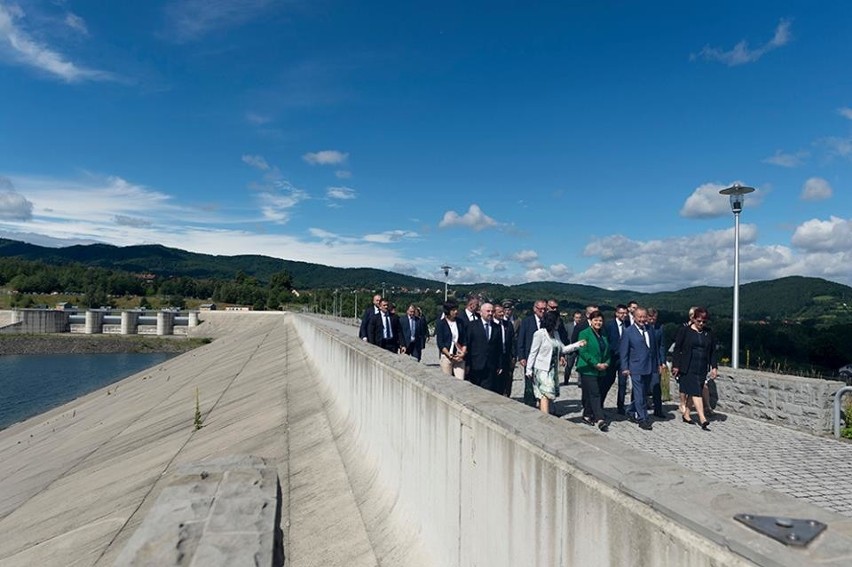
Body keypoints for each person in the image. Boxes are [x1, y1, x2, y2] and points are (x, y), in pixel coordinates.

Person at [525, 310, 585, 415]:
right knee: (545, 394)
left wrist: (578, 344)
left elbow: (563, 349)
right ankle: (545, 418)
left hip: (552, 370)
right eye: (558, 321)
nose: (559, 323)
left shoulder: (556, 334)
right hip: (541, 369)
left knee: (546, 395)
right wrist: (529, 369)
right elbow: (533, 352)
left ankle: (542, 414)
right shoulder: (540, 334)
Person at [672, 307, 718, 430]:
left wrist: (714, 367)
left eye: (704, 322)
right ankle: (702, 418)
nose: (701, 324)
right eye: (699, 321)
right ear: (693, 319)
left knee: (694, 391)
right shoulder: (684, 331)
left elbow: (713, 351)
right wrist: (675, 365)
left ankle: (686, 415)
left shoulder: (709, 333)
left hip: (702, 366)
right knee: (696, 391)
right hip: (688, 366)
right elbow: (677, 349)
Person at [619, 307, 658, 431]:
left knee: (643, 393)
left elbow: (654, 349)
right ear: (634, 318)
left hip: (649, 366)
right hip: (635, 367)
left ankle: (630, 410)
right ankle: (643, 418)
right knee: (639, 393)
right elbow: (623, 351)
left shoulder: (650, 330)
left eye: (644, 316)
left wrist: (657, 364)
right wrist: (625, 367)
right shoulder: (628, 332)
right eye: (639, 317)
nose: (642, 319)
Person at [575, 310, 610, 431]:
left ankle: (586, 414)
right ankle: (600, 419)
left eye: (600, 320)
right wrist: (595, 364)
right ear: (591, 321)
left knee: (593, 393)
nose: (598, 322)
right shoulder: (584, 333)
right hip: (587, 369)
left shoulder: (603, 335)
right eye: (596, 320)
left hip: (601, 369)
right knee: (595, 393)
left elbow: (607, 352)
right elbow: (583, 352)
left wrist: (606, 363)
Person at [465, 302, 502, 393]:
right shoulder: (472, 326)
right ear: (481, 312)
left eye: (492, 311)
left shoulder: (496, 327)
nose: (490, 313)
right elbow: (468, 345)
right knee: (474, 391)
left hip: (490, 366)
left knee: (487, 392)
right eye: (488, 311)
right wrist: (467, 364)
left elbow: (499, 348)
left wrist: (499, 364)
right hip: (475, 364)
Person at [517, 300, 547, 406]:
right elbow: (521, 339)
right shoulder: (527, 321)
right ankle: (530, 404)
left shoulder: (547, 321)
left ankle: (543, 405)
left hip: (544, 358)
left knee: (543, 384)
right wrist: (521, 357)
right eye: (540, 309)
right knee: (529, 383)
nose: (542, 311)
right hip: (529, 357)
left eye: (544, 309)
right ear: (535, 309)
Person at [603, 304, 629, 414]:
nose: (624, 315)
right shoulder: (609, 325)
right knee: (608, 381)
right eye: (621, 313)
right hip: (612, 357)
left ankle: (620, 405)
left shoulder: (628, 325)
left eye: (625, 313)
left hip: (624, 359)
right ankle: (600, 403)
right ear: (616, 313)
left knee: (623, 383)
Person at [646, 308, 668, 418]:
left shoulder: (660, 328)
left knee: (656, 386)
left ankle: (658, 410)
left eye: (654, 318)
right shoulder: (642, 328)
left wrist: (662, 362)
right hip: (643, 361)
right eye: (650, 318)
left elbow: (662, 346)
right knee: (641, 386)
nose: (652, 320)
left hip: (655, 361)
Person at [436, 300, 466, 379]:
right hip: (447, 356)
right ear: (448, 311)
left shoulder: (460, 322)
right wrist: (449, 355)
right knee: (447, 380)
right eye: (453, 310)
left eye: (456, 309)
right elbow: (440, 342)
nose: (456, 312)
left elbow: (464, 339)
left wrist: (463, 352)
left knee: (460, 381)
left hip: (459, 356)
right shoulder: (441, 323)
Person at [494, 303, 516, 396]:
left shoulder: (508, 324)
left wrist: (514, 356)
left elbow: (512, 341)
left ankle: (507, 395)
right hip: (495, 357)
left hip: (506, 356)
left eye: (502, 312)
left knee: (507, 379)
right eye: (499, 312)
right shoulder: (491, 325)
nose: (502, 314)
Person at [563, 310, 583, 385]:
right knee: (569, 366)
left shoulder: (582, 326)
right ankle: (566, 380)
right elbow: (565, 337)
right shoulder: (568, 326)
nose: (578, 319)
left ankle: (580, 382)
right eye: (577, 317)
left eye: (579, 318)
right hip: (570, 348)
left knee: (580, 366)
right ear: (573, 318)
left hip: (580, 349)